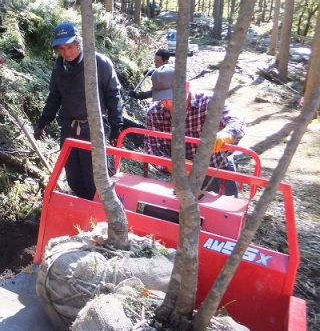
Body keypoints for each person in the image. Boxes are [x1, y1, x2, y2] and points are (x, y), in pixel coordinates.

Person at [33, 22, 124, 200]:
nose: (66, 53)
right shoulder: (59, 67)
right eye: (61, 48)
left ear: (79, 43)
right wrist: (42, 122)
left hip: (92, 128)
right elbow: (54, 97)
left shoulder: (99, 63)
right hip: (68, 128)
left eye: (70, 46)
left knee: (94, 179)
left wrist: (115, 126)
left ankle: (99, 215)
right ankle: (81, 214)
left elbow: (114, 94)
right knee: (74, 177)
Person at [144, 65, 245, 196]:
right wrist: (172, 165)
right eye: (162, 98)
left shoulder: (210, 102)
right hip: (182, 176)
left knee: (226, 213)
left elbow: (237, 120)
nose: (167, 103)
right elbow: (152, 148)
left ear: (186, 86)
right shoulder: (155, 113)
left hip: (216, 170)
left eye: (171, 97)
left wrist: (227, 134)